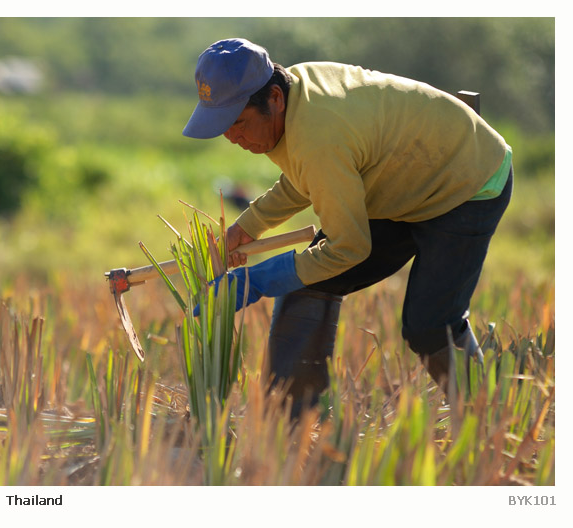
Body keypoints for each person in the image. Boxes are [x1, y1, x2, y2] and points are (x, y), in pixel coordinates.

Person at [182, 38, 513, 417]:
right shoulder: (295, 94)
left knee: (429, 326)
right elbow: (306, 176)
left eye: (237, 122)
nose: (231, 137)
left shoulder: (319, 133)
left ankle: (488, 423)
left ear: (273, 98)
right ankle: (289, 427)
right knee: (309, 281)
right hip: (400, 180)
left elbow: (348, 247)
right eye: (223, 125)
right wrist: (248, 226)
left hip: (466, 181)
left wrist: (259, 280)